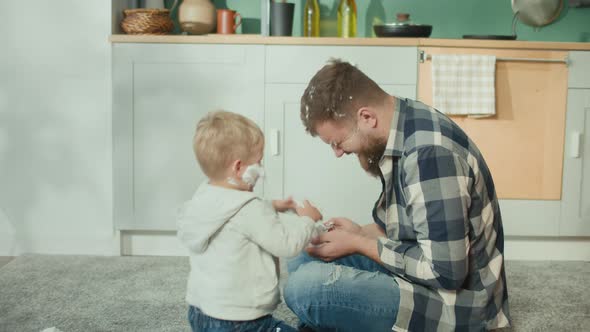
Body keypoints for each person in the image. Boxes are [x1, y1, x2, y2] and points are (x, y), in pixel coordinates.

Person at [284, 60, 511, 331]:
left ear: (366, 117)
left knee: (304, 288)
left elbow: (446, 272)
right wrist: (361, 232)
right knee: (302, 256)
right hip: (423, 274)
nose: (338, 152)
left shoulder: (429, 156)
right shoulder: (401, 119)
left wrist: (358, 242)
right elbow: (413, 223)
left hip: (460, 306)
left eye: (338, 142)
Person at [177, 111, 323, 332]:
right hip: (241, 321)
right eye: (258, 163)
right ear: (238, 168)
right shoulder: (251, 209)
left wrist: (272, 205)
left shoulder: (203, 195)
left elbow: (231, 210)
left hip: (201, 312)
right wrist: (307, 220)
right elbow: (286, 244)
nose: (262, 170)